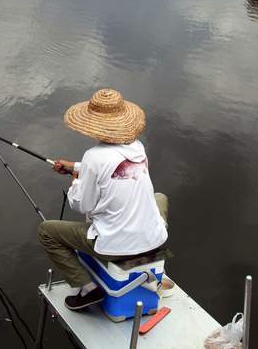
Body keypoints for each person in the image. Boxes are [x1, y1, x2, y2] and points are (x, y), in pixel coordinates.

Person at [38, 88, 169, 311]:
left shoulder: (94, 156)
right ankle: (149, 251)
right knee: (160, 198)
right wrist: (75, 167)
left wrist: (76, 182)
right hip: (155, 240)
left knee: (47, 231)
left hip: (114, 245)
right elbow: (116, 171)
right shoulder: (138, 148)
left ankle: (88, 289)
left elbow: (82, 204)